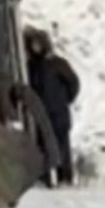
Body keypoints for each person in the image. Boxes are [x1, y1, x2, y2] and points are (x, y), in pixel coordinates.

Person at [26, 29, 81, 187]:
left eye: (37, 44)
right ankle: (45, 180)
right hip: (40, 113)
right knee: (42, 146)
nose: (35, 48)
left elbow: (74, 84)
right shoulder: (30, 66)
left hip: (58, 113)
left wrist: (64, 100)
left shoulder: (58, 64)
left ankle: (65, 178)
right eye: (32, 45)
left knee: (62, 146)